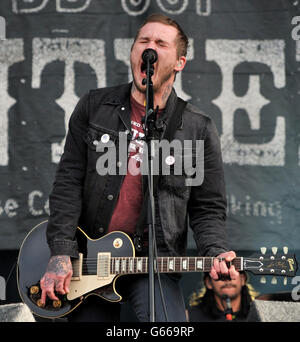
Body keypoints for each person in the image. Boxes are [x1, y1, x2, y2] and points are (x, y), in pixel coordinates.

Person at [39, 13, 239, 322]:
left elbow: (208, 208)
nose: (149, 48)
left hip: (153, 262)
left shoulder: (198, 128)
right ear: (134, 53)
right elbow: (68, 182)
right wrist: (61, 251)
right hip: (89, 259)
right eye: (143, 41)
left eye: (160, 43)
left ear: (179, 62)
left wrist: (215, 251)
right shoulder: (94, 107)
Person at [187, 272, 256, 322]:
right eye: (220, 274)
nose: (227, 279)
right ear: (208, 282)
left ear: (243, 279)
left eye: (232, 273)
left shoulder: (259, 314)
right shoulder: (188, 316)